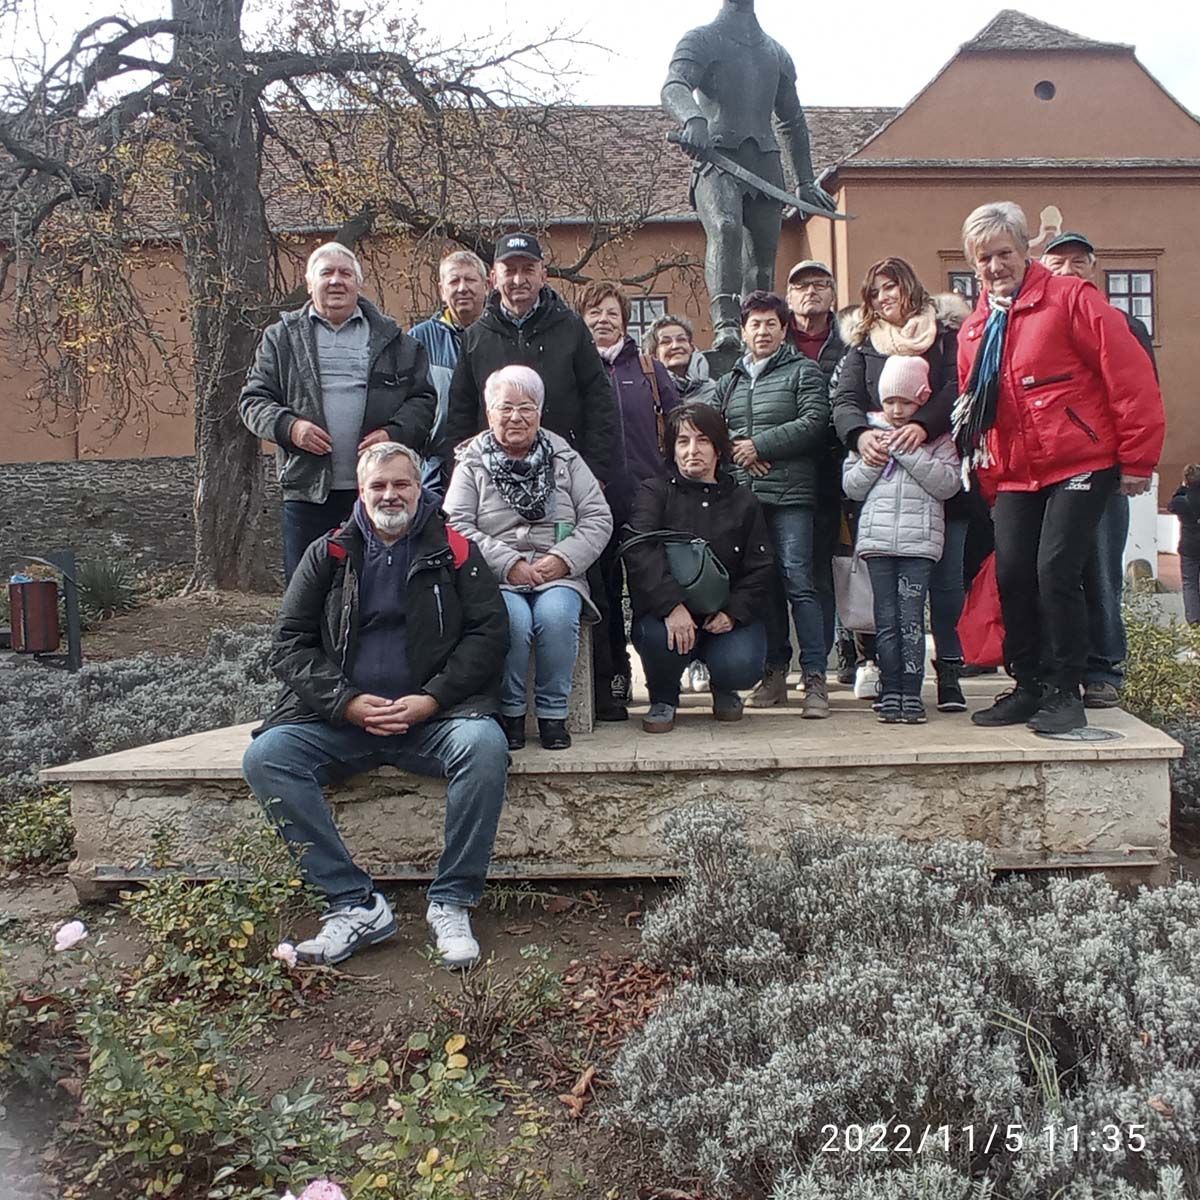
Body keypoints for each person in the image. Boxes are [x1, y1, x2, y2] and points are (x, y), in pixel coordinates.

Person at [242, 442, 510, 970]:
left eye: (401, 483)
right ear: (361, 493)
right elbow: (289, 644)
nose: (390, 495)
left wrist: (432, 699)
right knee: (267, 757)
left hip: (434, 720)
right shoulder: (328, 553)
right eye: (378, 486)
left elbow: (489, 634)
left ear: (420, 488)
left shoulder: (455, 550)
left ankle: (452, 901)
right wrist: (346, 703)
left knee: (484, 747)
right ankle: (353, 904)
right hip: (342, 722)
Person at [955, 201, 1164, 734]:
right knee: (1012, 574)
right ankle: (1028, 684)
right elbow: (976, 412)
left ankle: (1066, 691)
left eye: (1004, 253)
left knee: (1056, 570)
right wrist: (990, 479)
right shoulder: (976, 329)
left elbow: (1129, 376)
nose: (996, 266)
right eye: (984, 258)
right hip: (1016, 470)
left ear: (1025, 251)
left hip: (1081, 459)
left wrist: (1138, 458)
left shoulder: (1071, 299)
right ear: (973, 264)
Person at [240, 242, 437, 580]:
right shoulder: (281, 338)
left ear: (358, 283)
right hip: (307, 490)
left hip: (377, 491)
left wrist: (394, 433)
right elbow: (253, 401)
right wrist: (290, 427)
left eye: (345, 273)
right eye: (326, 273)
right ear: (309, 284)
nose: (336, 281)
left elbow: (423, 400)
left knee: (375, 585)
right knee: (307, 587)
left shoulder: (395, 340)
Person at [443, 366, 612, 751]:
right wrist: (508, 563)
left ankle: (554, 715)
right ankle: (512, 713)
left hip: (559, 573)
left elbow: (598, 517)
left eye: (526, 407)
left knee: (557, 617)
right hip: (497, 577)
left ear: (540, 412)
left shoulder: (564, 457)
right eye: (505, 408)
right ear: (489, 413)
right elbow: (455, 525)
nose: (516, 417)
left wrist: (563, 559)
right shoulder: (472, 461)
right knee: (512, 622)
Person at [831, 256, 971, 713]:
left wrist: (923, 427)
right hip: (881, 482)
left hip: (936, 466)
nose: (883, 297)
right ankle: (892, 681)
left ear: (908, 286)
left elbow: (956, 389)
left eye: (890, 287)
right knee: (888, 604)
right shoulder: (863, 346)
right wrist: (861, 435)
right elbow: (845, 401)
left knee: (946, 587)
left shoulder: (943, 336)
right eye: (874, 292)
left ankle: (948, 673)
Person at [661, 0, 836, 350]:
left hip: (765, 164)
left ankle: (759, 328)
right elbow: (674, 85)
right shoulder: (701, 39)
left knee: (763, 257)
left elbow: (792, 119)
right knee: (726, 228)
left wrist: (804, 181)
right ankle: (727, 324)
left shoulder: (776, 53)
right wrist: (693, 119)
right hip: (718, 158)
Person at [1039, 231, 1158, 710]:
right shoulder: (1033, 323)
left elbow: (1140, 394)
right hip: (1045, 465)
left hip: (1102, 465)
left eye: (1078, 262)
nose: (1068, 271)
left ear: (1094, 268)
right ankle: (1053, 667)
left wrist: (1135, 462)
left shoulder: (1122, 323)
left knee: (1101, 567)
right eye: (1058, 263)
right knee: (1050, 569)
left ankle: (1104, 668)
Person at [624, 403, 774, 732]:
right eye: (683, 441)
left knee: (740, 664)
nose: (692, 450)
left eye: (702, 440)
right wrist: (671, 605)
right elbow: (639, 552)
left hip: (725, 615)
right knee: (657, 638)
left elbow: (760, 566)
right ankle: (663, 697)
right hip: (668, 614)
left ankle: (725, 687)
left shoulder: (743, 500)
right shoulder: (654, 492)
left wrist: (733, 612)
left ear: (718, 448)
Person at [716, 290, 832, 717]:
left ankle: (815, 676)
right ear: (743, 331)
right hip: (746, 498)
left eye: (771, 324)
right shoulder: (730, 381)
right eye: (755, 324)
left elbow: (815, 421)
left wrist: (761, 445)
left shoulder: (803, 371)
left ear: (784, 330)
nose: (762, 331)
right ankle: (774, 672)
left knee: (799, 580)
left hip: (791, 496)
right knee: (762, 587)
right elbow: (711, 427)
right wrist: (740, 451)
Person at [444, 232, 618, 488]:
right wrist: (461, 477)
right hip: (493, 482)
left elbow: (599, 402)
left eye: (528, 269)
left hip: (564, 475)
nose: (518, 279)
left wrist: (595, 472)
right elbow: (460, 415)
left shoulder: (572, 329)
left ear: (543, 275)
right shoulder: (475, 338)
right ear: (493, 278)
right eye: (509, 270)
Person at [578, 282, 680, 713]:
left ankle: (661, 682)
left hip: (645, 501)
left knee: (649, 591)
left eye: (612, 313)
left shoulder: (649, 370)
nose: (603, 320)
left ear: (624, 321)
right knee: (602, 594)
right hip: (591, 502)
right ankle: (613, 679)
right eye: (594, 313)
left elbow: (678, 425)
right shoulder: (576, 369)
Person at [842, 357, 962, 724]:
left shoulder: (937, 440)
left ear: (921, 401)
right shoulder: (868, 435)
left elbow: (948, 484)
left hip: (919, 545)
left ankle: (912, 691)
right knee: (885, 620)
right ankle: (889, 688)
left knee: (910, 621)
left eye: (906, 402)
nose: (897, 410)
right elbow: (851, 486)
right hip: (878, 543)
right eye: (890, 401)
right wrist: (873, 459)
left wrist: (909, 452)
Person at [784, 259, 850, 679]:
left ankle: (841, 655)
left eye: (820, 284)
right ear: (788, 297)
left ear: (833, 294)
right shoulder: (775, 339)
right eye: (801, 285)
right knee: (793, 568)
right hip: (787, 470)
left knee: (837, 567)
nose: (811, 291)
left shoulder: (852, 341)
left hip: (838, 469)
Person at [408, 250, 490, 492]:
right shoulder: (418, 340)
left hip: (491, 461)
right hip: (435, 465)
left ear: (487, 286)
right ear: (442, 290)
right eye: (454, 281)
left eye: (470, 280)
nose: (462, 288)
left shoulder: (499, 336)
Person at [643, 314, 719, 406]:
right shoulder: (646, 393)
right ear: (654, 354)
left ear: (691, 347)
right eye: (666, 342)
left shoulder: (716, 391)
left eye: (681, 339)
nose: (675, 346)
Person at [1169, 465, 1200, 625]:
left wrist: (1182, 487)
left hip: (1188, 546)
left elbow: (1171, 506)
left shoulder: (1181, 500)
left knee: (1190, 583)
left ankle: (1194, 620)